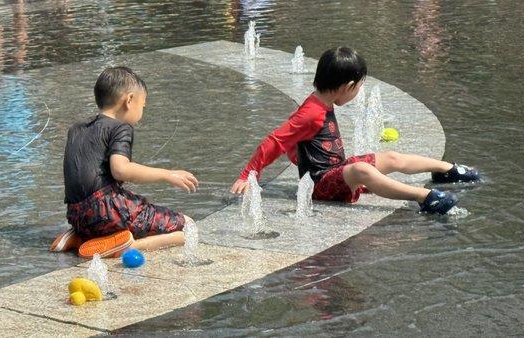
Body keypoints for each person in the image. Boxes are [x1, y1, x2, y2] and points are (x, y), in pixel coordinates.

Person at [230, 47, 479, 215]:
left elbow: (293, 140)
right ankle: (425, 197)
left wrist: (296, 154)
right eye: (359, 87)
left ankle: (446, 169)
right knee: (362, 169)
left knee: (390, 157)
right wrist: (247, 174)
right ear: (348, 86)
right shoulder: (311, 112)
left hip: (335, 172)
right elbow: (276, 140)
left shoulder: (318, 102)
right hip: (321, 185)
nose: (358, 92)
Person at [51, 67, 199, 258]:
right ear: (129, 100)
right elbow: (120, 169)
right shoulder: (120, 128)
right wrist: (167, 174)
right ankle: (128, 245)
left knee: (128, 200)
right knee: (189, 228)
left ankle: (80, 237)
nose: (142, 112)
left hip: (77, 216)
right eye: (143, 106)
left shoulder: (76, 129)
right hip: (107, 212)